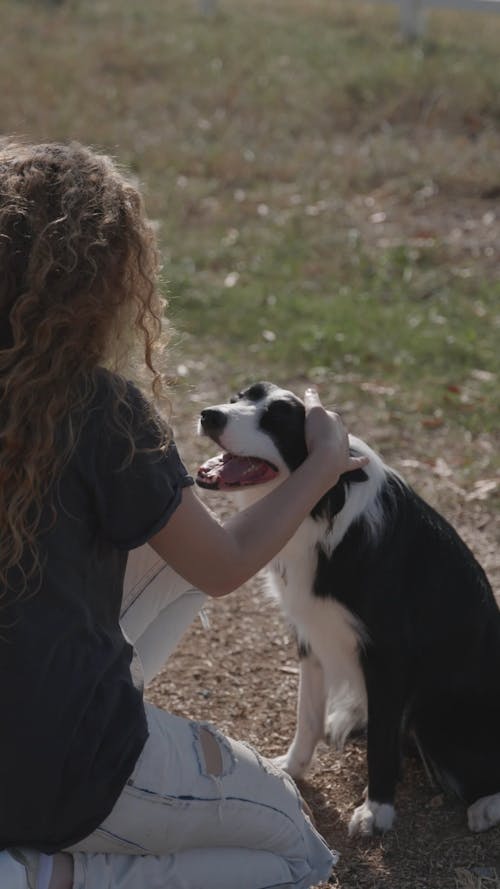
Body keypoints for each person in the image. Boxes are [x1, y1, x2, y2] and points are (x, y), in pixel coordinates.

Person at [0, 138, 368, 889]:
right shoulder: (97, 410)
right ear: (101, 282)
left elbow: (192, 557)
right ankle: (41, 876)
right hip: (65, 769)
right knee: (301, 849)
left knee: (170, 539)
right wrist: (324, 463)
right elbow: (226, 564)